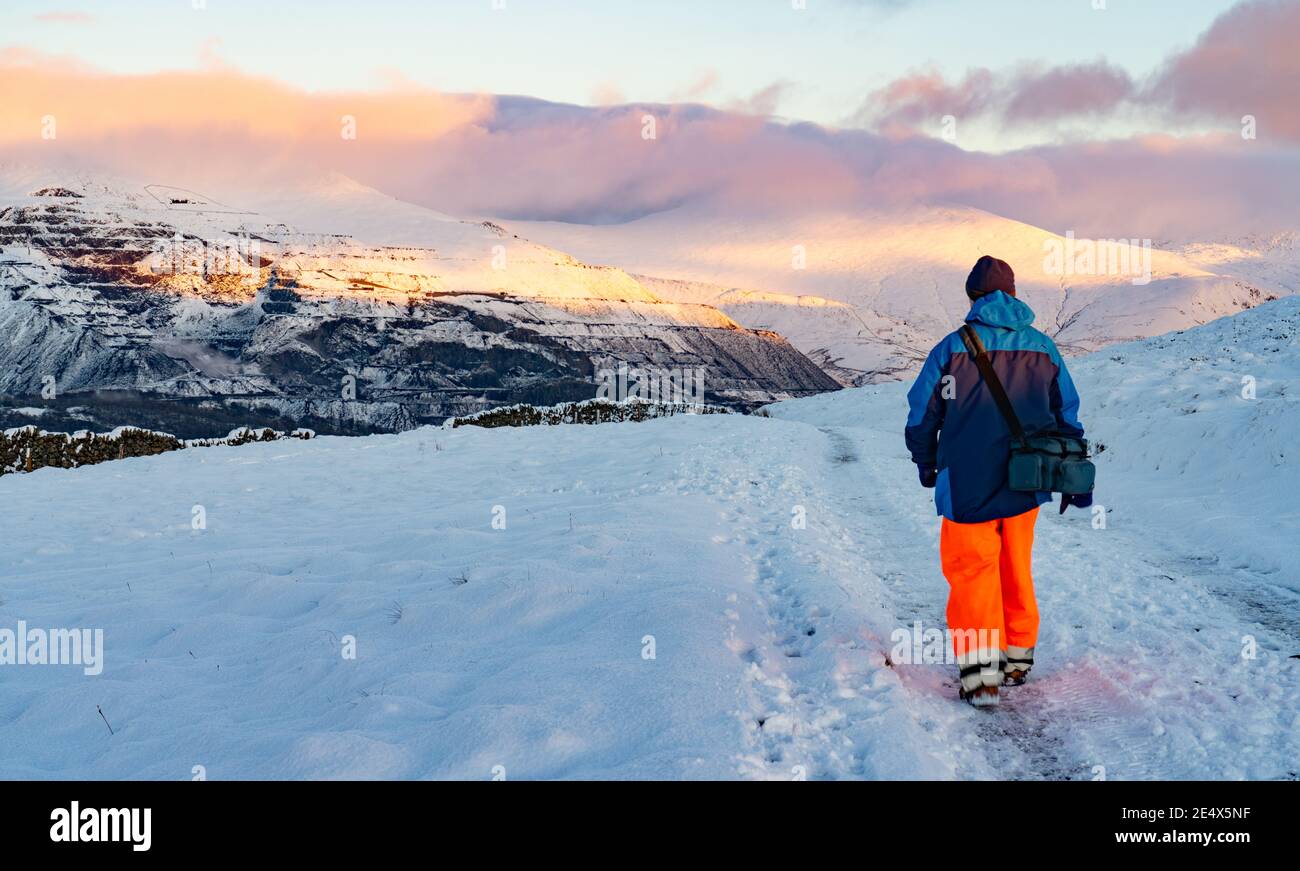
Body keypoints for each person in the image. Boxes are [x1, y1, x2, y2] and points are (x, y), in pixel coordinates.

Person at [904, 256, 1090, 707]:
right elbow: (1067, 412)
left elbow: (922, 413)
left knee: (972, 572)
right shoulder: (1044, 347)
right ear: (1014, 293)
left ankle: (981, 677)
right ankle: (1018, 657)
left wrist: (926, 462)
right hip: (1028, 478)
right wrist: (1071, 470)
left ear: (973, 296)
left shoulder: (950, 348)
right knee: (1015, 565)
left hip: (965, 480)